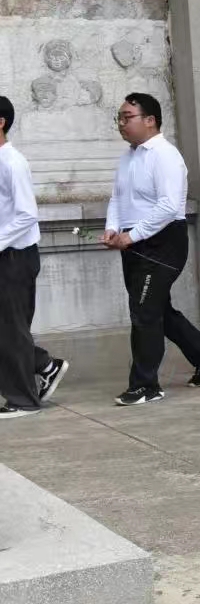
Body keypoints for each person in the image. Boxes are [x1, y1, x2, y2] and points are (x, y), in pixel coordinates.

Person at [103, 93, 200, 406]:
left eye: (127, 117)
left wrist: (132, 236)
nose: (121, 123)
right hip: (133, 241)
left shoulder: (165, 155)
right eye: (119, 118)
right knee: (157, 309)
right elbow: (117, 198)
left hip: (163, 244)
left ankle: (145, 385)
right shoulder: (128, 157)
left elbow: (169, 206)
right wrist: (113, 228)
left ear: (150, 120)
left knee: (144, 312)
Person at [0, 96, 68, 418]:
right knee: (7, 329)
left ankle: (24, 400)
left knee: (11, 329)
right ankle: (44, 364)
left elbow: (27, 214)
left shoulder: (13, 162)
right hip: (5, 253)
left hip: (15, 257)